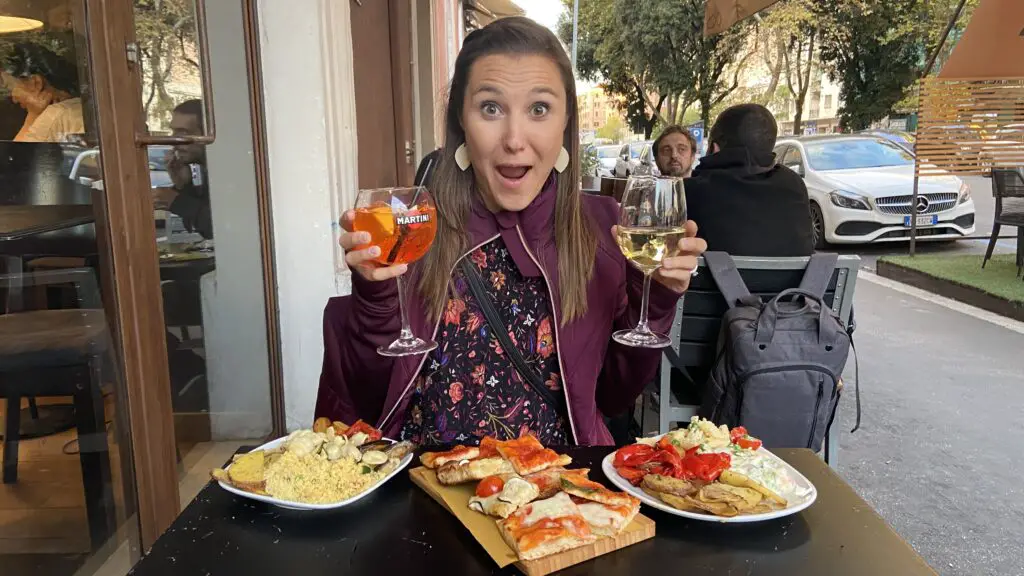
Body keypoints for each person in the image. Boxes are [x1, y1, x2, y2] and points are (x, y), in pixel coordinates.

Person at [316, 17, 706, 446]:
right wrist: (374, 299)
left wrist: (657, 297)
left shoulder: (602, 229)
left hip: (557, 492)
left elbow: (614, 398)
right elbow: (368, 401)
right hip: (425, 487)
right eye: (490, 108)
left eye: (539, 109)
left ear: (565, 123)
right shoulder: (413, 229)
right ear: (461, 120)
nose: (514, 139)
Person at [685, 103, 814, 256]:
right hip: (799, 281)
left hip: (716, 279)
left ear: (715, 148)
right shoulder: (794, 184)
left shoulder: (692, 190)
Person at [153, 99, 213, 239]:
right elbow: (196, 227)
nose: (174, 140)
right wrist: (182, 185)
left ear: (206, 135)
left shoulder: (230, 168)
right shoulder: (204, 169)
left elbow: (220, 226)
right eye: (173, 132)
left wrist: (175, 200)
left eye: (183, 133)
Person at [2, 43, 84, 142]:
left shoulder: (55, 115)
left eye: (10, 87)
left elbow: (16, 154)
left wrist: (32, 118)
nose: (14, 99)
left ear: (36, 82)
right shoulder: (79, 106)